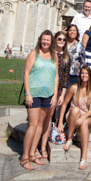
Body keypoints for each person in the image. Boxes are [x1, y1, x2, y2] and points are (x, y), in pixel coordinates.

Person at [21, 31, 58, 170]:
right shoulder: (34, 54)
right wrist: (28, 93)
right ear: (40, 40)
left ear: (51, 42)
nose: (46, 42)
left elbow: (56, 76)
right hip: (34, 93)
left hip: (47, 94)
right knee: (33, 125)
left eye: (48, 40)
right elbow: (26, 73)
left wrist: (54, 95)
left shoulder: (53, 56)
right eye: (44, 40)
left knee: (41, 123)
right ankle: (24, 157)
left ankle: (32, 154)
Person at [37, 31, 71, 160]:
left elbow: (65, 78)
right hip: (45, 88)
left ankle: (43, 146)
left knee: (49, 117)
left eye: (63, 39)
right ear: (54, 40)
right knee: (40, 119)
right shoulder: (48, 54)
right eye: (59, 39)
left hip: (57, 91)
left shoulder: (67, 57)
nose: (61, 41)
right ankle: (36, 145)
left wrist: (62, 94)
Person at [58, 65, 91, 170]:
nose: (84, 75)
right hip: (73, 114)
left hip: (87, 115)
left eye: (86, 73)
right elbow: (64, 104)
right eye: (82, 73)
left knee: (84, 123)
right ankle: (70, 138)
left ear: (89, 76)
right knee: (75, 109)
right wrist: (60, 122)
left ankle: (84, 157)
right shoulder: (74, 88)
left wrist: (83, 117)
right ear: (79, 75)